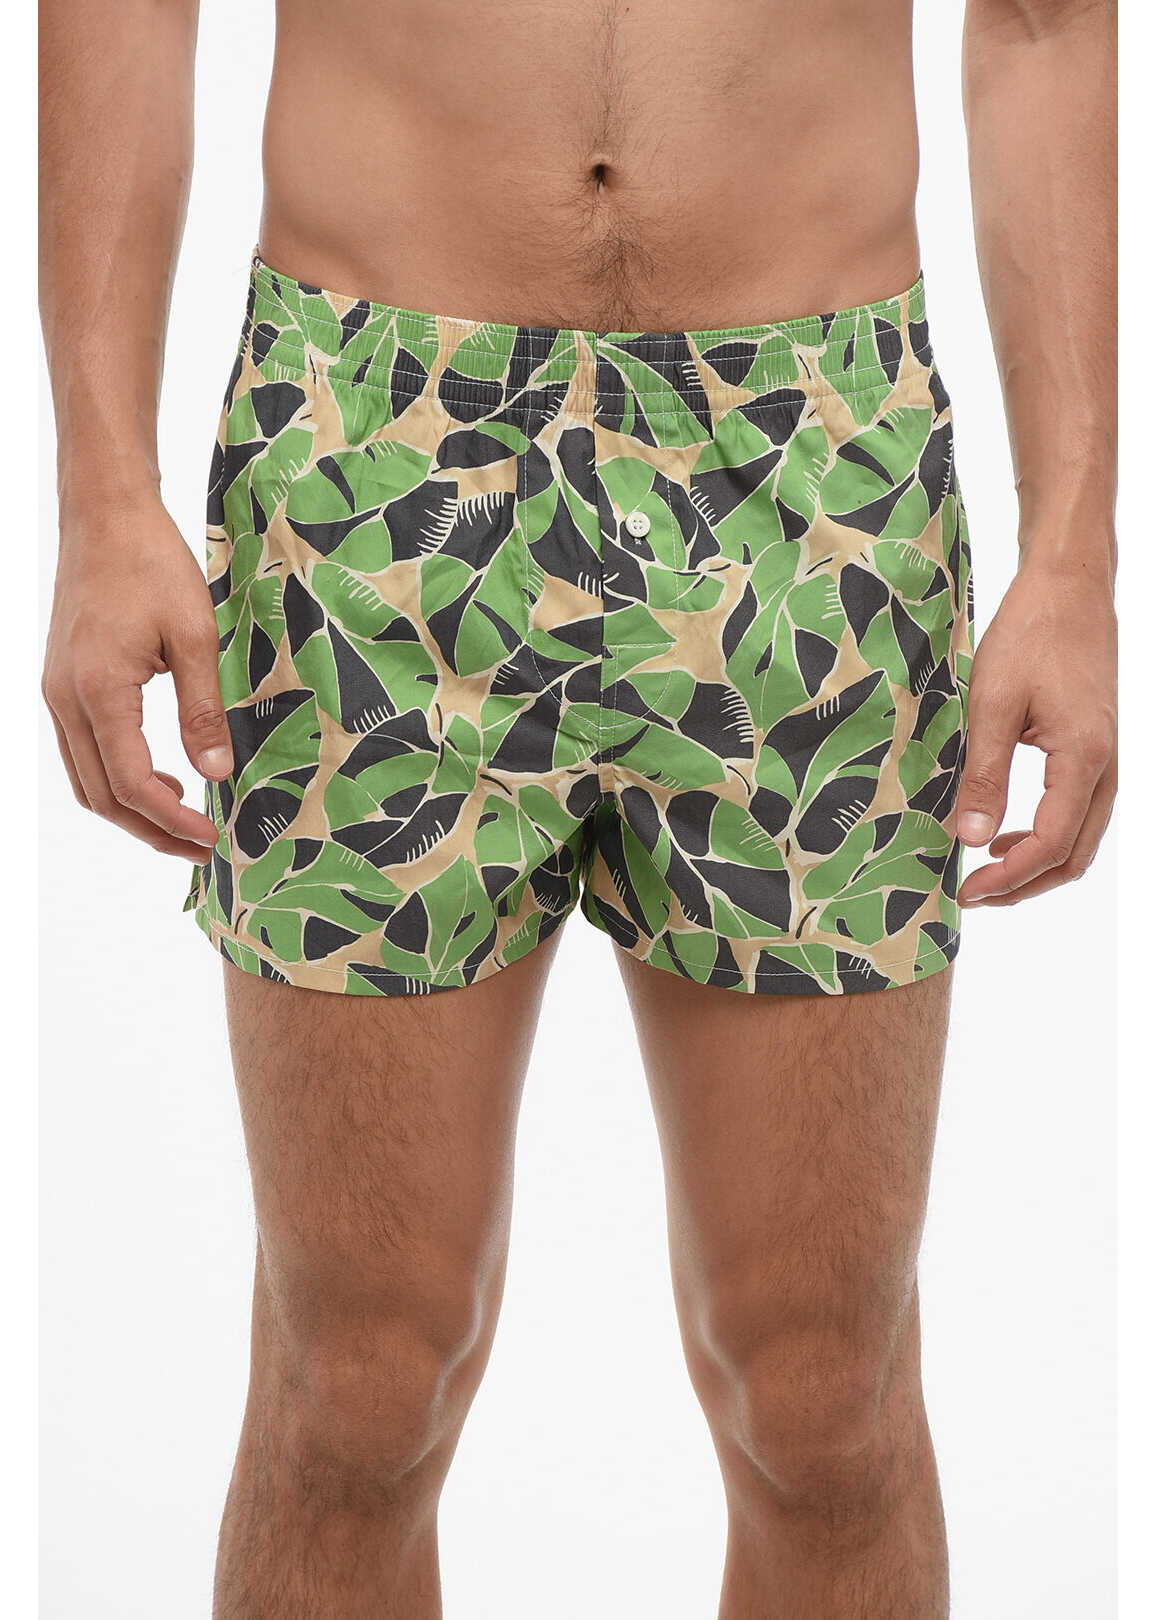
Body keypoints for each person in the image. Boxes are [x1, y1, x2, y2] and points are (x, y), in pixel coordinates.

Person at [38, 0, 1117, 1614]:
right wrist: (101, 491)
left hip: (814, 466)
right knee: (357, 1385)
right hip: (373, 449)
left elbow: (1042, 24)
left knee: (820, 1395)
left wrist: (1074, 555)